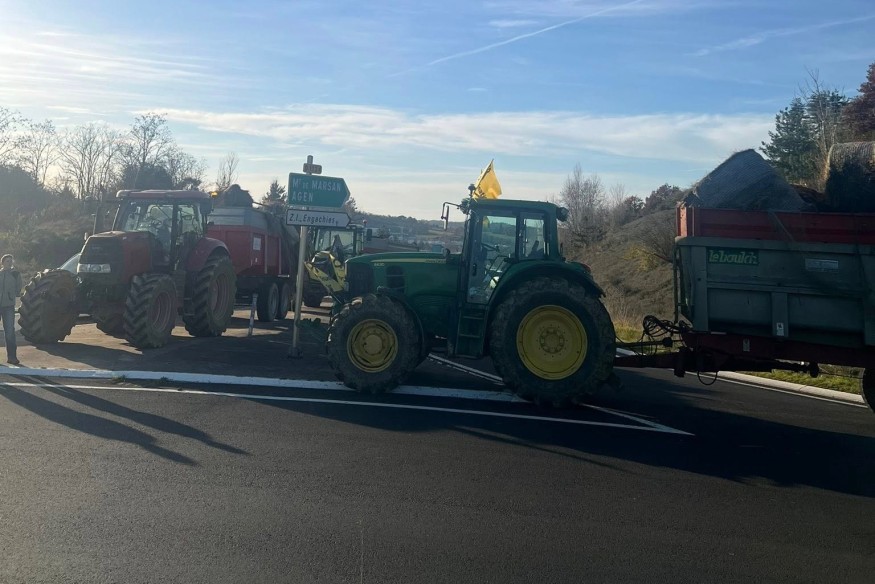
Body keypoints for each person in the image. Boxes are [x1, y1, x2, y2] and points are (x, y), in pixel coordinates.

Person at [0, 254, 23, 365]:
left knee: (9, 332)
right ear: (2, 262)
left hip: (8, 306)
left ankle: (12, 357)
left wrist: (11, 295)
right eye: (7, 261)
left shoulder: (15, 274)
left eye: (11, 261)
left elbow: (19, 288)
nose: (9, 263)